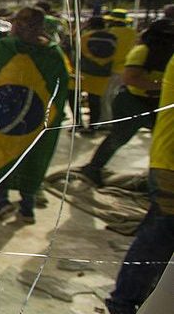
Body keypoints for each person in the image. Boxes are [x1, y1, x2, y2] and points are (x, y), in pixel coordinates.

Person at [0, 7, 70, 224]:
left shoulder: (4, 48)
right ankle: (27, 208)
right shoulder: (52, 53)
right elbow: (60, 85)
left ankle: (2, 202)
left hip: (2, 118)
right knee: (32, 158)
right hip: (35, 121)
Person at [103, 32, 174, 314]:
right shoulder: (142, 49)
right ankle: (124, 302)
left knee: (158, 234)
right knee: (158, 236)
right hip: (169, 162)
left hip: (163, 154)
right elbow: (129, 77)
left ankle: (128, 299)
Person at [79, 19, 173, 186]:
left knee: (163, 142)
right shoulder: (143, 51)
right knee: (119, 137)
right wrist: (163, 86)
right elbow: (130, 78)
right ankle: (93, 168)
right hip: (132, 102)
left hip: (156, 103)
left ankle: (158, 179)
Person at [80, 16, 116, 130]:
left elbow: (79, 52)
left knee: (75, 97)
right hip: (103, 73)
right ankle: (93, 126)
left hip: (86, 73)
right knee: (95, 100)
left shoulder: (85, 37)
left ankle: (78, 123)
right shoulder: (114, 37)